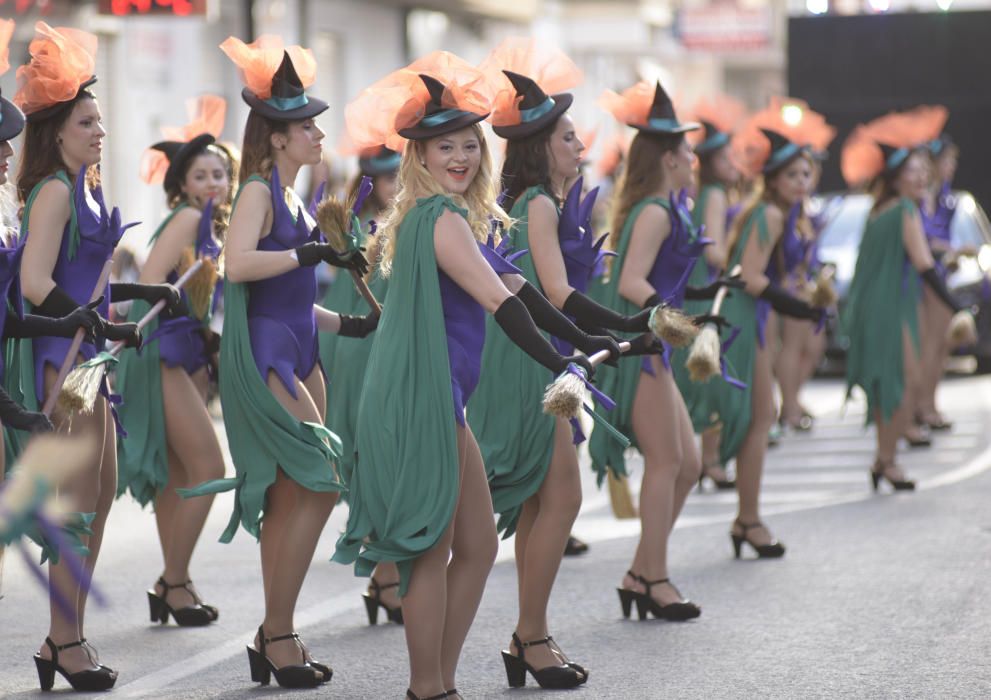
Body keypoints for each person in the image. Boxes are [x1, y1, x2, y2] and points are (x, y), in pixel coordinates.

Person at [332, 53, 608, 700]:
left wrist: (589, 339)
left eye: (467, 144)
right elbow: (503, 307)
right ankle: (429, 686)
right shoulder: (439, 218)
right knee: (429, 549)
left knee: (478, 546)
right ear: (418, 157)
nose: (459, 156)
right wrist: (558, 362)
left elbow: (521, 289)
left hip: (440, 398)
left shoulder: (451, 217)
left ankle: (439, 680)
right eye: (443, 146)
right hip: (418, 398)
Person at [178, 36, 375, 688]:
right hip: (268, 355)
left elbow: (292, 298)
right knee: (319, 483)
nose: (318, 134)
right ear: (278, 136)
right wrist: (309, 257)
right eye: (306, 126)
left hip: (300, 343)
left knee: (298, 494)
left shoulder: (293, 197)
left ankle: (276, 632)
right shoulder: (259, 191)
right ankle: (278, 630)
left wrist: (348, 322)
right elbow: (238, 266)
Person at [469, 39, 646, 687]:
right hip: (525, 360)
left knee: (549, 499)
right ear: (541, 146)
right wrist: (630, 325)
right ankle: (528, 637)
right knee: (553, 496)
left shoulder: (542, 200)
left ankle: (529, 635)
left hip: (531, 351)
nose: (580, 145)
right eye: (569, 137)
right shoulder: (537, 203)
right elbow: (556, 292)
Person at [9, 22, 178, 691]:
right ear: (57, 132)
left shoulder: (86, 189)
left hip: (90, 354)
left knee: (100, 498)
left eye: (101, 122)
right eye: (88, 123)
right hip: (63, 358)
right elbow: (35, 283)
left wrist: (141, 292)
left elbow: (93, 282)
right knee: (78, 505)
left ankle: (64, 637)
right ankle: (66, 642)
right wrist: (83, 321)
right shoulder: (53, 189)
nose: (100, 132)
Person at [590, 80, 711, 620]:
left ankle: (640, 572)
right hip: (644, 348)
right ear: (669, 158)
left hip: (657, 346)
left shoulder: (665, 205)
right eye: (687, 149)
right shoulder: (656, 211)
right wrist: (674, 319)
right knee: (668, 462)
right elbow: (630, 279)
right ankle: (654, 579)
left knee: (689, 464)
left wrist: (699, 304)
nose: (693, 156)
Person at [687, 105, 830, 559]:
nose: (802, 183)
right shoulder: (768, 213)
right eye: (792, 176)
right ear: (773, 178)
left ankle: (747, 517)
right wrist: (798, 305)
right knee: (757, 419)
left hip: (752, 314)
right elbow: (748, 274)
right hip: (746, 317)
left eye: (806, 174)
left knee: (758, 419)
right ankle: (747, 519)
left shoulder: (779, 212)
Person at [116, 95, 235, 627]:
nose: (215, 183)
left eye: (222, 174)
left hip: (185, 346)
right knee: (209, 466)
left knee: (178, 472)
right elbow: (150, 283)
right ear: (183, 183)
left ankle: (176, 583)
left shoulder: (207, 222)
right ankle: (174, 581)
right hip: (160, 346)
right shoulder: (188, 220)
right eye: (203, 175)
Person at [841, 106, 966, 491]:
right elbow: (926, 266)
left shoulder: (882, 208)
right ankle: (887, 460)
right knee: (902, 383)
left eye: (922, 169)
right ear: (895, 176)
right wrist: (958, 307)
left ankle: (885, 459)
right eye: (914, 169)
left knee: (891, 384)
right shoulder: (903, 211)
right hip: (892, 307)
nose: (923, 175)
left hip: (877, 306)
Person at [317, 144, 404, 625]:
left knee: (388, 463)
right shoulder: (351, 228)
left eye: (398, 175)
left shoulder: (409, 220)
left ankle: (384, 576)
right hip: (358, 346)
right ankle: (386, 576)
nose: (394, 185)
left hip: (389, 345)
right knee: (372, 461)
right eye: (385, 178)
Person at [675, 94, 746, 490]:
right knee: (710, 376)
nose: (734, 165)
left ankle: (705, 458)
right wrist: (743, 256)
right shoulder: (716, 195)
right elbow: (715, 250)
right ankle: (712, 461)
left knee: (701, 375)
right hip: (709, 292)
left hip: (695, 290)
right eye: (727, 159)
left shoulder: (702, 194)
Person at [916, 130, 961, 431]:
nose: (951, 167)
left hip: (941, 273)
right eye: (946, 161)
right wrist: (944, 249)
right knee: (929, 345)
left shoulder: (943, 193)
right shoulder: (920, 197)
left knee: (941, 345)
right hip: (924, 277)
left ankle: (930, 402)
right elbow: (922, 240)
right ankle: (922, 405)